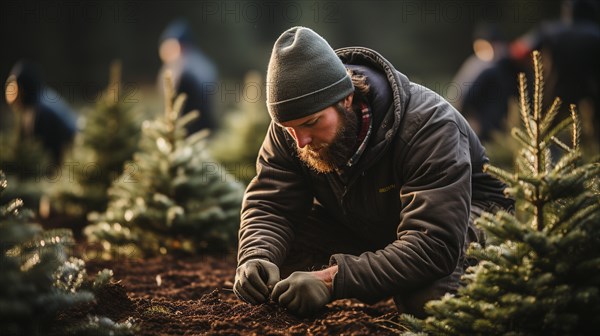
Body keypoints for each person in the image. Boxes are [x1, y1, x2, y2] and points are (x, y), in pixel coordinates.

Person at [233, 26, 513, 317]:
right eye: (289, 129)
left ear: (346, 99)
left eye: (312, 123)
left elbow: (434, 244)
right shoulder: (294, 126)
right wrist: (256, 256)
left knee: (429, 301)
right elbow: (271, 203)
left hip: (464, 220)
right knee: (274, 268)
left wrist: (332, 281)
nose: (301, 142)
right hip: (373, 220)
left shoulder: (428, 126)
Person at [4, 60, 77, 165]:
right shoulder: (36, 104)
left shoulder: (43, 111)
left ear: (24, 88)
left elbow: (49, 148)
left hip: (70, 148)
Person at [157, 19, 218, 135]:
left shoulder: (196, 65)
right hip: (176, 123)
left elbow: (205, 94)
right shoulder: (169, 67)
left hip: (197, 123)